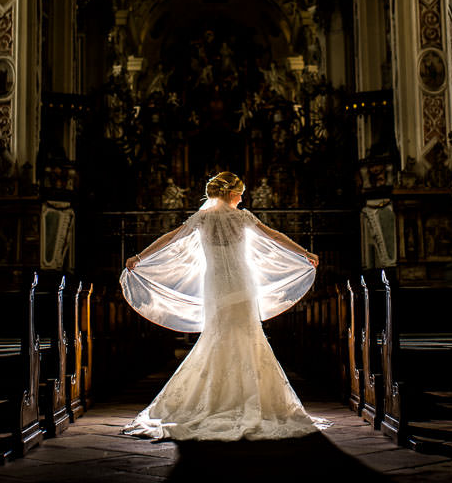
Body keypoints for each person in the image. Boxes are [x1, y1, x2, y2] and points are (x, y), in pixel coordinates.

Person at [119, 171, 329, 440]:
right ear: (231, 194)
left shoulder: (203, 219)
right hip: (241, 283)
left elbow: (171, 238)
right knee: (245, 335)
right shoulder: (242, 218)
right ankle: (244, 399)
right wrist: (305, 252)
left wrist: (139, 256)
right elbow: (275, 236)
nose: (243, 196)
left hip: (216, 285)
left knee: (219, 336)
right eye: (240, 192)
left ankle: (217, 399)